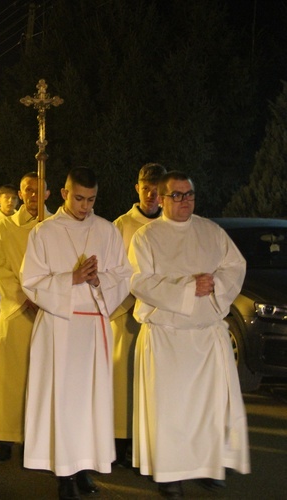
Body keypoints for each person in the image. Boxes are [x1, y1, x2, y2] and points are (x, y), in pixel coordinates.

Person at [129, 171, 249, 498]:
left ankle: (207, 466)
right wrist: (187, 288)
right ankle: (170, 475)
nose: (185, 201)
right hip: (167, 336)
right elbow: (139, 281)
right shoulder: (146, 237)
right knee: (171, 411)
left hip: (206, 336)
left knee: (207, 410)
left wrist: (216, 285)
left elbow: (235, 267)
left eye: (190, 194)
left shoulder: (211, 231)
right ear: (162, 198)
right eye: (177, 195)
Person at [20, 167, 131, 500]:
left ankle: (84, 467)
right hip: (59, 328)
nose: (85, 206)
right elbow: (31, 281)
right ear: (65, 193)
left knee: (89, 403)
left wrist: (98, 281)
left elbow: (124, 276)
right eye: (80, 198)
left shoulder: (107, 231)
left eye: (92, 199)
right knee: (63, 403)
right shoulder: (44, 232)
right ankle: (64, 475)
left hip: (93, 328)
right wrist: (72, 278)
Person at [109, 162, 167, 466]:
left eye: (157, 191)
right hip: (126, 310)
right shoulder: (121, 225)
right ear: (137, 188)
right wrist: (129, 299)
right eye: (146, 189)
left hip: (159, 316)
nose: (152, 196)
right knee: (122, 379)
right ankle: (119, 441)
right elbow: (114, 270)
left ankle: (146, 441)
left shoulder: (171, 225)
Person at [0, 172, 44, 461]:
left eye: (39, 190)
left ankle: (40, 437)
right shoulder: (4, 228)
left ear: (48, 194)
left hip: (49, 312)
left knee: (44, 377)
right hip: (18, 309)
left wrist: (48, 297)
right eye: (28, 191)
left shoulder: (56, 226)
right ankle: (6, 436)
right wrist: (24, 297)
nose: (34, 196)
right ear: (21, 195)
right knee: (12, 376)